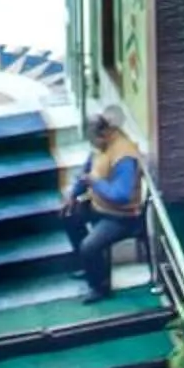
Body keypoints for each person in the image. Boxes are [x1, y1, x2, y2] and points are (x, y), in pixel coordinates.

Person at [64, 108, 147, 297]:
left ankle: (100, 287)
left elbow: (122, 194)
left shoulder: (124, 155)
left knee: (89, 246)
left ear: (104, 134)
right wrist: (73, 194)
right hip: (98, 205)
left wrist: (95, 183)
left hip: (122, 217)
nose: (92, 145)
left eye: (93, 139)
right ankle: (90, 267)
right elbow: (86, 169)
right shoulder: (100, 146)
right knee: (69, 215)